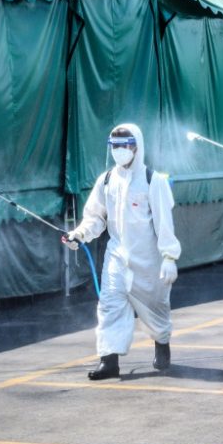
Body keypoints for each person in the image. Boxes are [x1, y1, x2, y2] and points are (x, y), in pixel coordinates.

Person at [63, 124, 182, 380]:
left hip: (149, 259)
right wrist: (80, 234)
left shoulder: (154, 181)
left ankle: (162, 343)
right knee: (109, 305)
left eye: (124, 146)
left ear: (136, 147)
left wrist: (169, 257)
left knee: (156, 307)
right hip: (117, 256)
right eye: (114, 146)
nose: (119, 151)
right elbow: (95, 216)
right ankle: (109, 361)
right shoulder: (107, 180)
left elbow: (164, 223)